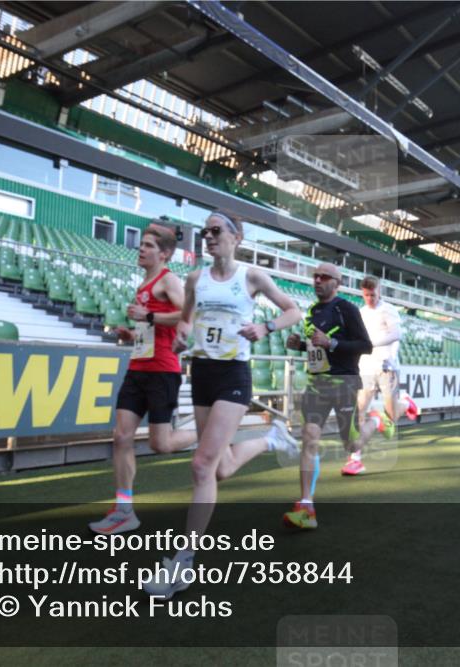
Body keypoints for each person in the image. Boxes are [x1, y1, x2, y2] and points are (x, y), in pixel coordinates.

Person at [143, 210, 301, 599]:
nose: (208, 237)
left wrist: (266, 327)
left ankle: (183, 563)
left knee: (201, 464)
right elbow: (186, 321)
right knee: (221, 467)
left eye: (216, 231)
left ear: (236, 236)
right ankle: (271, 439)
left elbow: (293, 311)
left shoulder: (251, 276)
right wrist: (182, 338)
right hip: (202, 373)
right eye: (204, 232)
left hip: (234, 375)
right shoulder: (195, 279)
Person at [89, 224, 198, 535]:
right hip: (137, 368)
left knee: (160, 444)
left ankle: (205, 433)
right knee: (121, 437)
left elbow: (188, 315)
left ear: (163, 253)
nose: (141, 249)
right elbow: (151, 327)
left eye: (148, 246)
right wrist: (132, 333)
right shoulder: (143, 286)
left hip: (163, 370)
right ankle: (124, 509)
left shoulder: (169, 281)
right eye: (142, 245)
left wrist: (148, 317)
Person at [283, 262, 372, 527]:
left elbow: (365, 346)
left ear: (337, 282)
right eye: (315, 276)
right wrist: (300, 345)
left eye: (324, 277)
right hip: (317, 383)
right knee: (309, 437)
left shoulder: (347, 309)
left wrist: (331, 342)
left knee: (352, 446)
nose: (318, 280)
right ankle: (306, 505)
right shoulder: (311, 311)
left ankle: (377, 421)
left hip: (344, 383)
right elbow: (317, 349)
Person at [343, 275, 401, 476]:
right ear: (362, 293)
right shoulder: (360, 313)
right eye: (366, 295)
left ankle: (402, 407)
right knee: (359, 410)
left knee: (391, 417)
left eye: (373, 294)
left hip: (387, 366)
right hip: (366, 366)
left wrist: (386, 354)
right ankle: (355, 458)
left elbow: (396, 335)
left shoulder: (389, 310)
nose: (370, 298)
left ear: (379, 291)